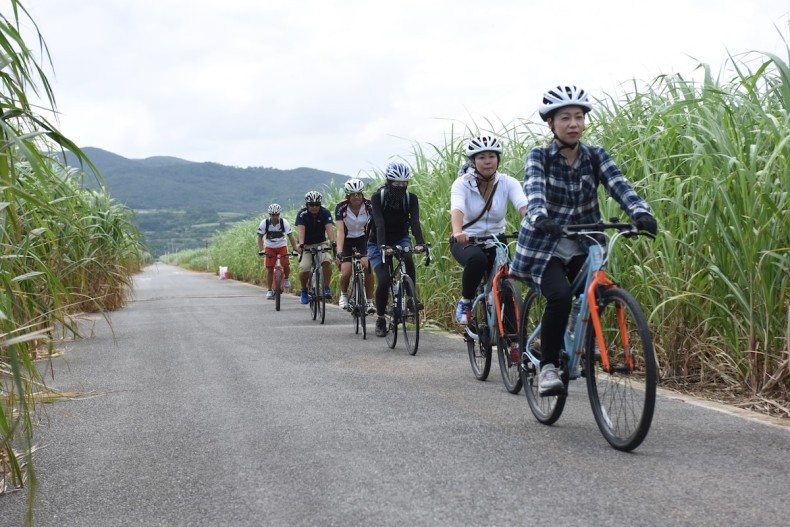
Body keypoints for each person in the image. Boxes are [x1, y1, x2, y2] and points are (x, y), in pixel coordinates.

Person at [511, 85, 658, 396]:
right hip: (546, 244)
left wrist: (640, 212)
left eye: (579, 117)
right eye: (565, 118)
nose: (574, 124)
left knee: (598, 287)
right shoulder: (539, 156)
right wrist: (541, 218)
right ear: (551, 123)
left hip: (582, 240)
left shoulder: (595, 155)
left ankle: (578, 334)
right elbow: (534, 193)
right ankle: (548, 366)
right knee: (560, 296)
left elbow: (620, 185)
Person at [450, 135, 528, 324]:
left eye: (491, 156)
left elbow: (523, 205)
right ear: (473, 161)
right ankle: (466, 301)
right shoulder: (462, 183)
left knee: (506, 282)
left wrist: (534, 222)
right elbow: (457, 208)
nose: (487, 162)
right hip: (467, 239)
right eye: (482, 157)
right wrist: (458, 231)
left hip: (496, 238)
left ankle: (512, 342)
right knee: (477, 260)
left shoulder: (508, 182)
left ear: (498, 159)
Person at [367, 162, 427, 337]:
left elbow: (414, 222)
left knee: (408, 256)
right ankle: (380, 319)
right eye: (396, 183)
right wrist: (382, 246)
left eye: (404, 183)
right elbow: (379, 223)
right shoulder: (378, 197)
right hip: (377, 241)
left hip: (401, 238)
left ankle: (411, 298)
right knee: (384, 280)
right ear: (388, 181)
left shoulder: (411, 199)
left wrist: (421, 243)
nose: (401, 187)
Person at [334, 178, 375, 314]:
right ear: (348, 196)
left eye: (359, 194)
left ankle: (369, 301)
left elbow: (376, 225)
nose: (356, 197)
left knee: (368, 267)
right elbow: (340, 231)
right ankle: (344, 295)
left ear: (362, 194)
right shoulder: (341, 207)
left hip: (363, 239)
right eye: (353, 194)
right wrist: (339, 252)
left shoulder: (369, 205)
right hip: (347, 240)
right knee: (346, 271)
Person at [295, 191, 336, 304]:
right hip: (307, 245)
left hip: (321, 243)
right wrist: (301, 244)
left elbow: (329, 228)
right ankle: (304, 290)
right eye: (311, 204)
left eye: (317, 204)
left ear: (320, 204)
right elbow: (301, 230)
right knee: (304, 268)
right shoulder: (302, 214)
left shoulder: (325, 212)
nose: (314, 207)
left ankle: (326, 287)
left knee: (327, 261)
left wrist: (333, 242)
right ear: (307, 205)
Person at [257, 203, 298, 299]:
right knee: (270, 268)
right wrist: (261, 250)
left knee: (286, 264)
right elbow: (259, 237)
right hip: (269, 246)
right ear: (269, 215)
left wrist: (295, 249)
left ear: (279, 214)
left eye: (277, 215)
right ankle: (269, 290)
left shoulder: (284, 222)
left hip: (281, 245)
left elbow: (291, 237)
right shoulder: (265, 223)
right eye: (272, 215)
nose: (275, 217)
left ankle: (286, 278)